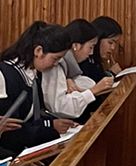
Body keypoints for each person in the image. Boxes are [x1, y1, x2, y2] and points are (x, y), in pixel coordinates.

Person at [1, 22, 77, 156]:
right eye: (55, 58)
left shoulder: (33, 73)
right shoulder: (6, 75)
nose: (55, 64)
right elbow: (10, 130)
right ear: (38, 51)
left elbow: (32, 116)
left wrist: (51, 123)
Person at [43, 18, 115, 120]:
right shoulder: (56, 65)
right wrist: (93, 90)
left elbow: (84, 82)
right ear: (76, 45)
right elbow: (60, 107)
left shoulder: (70, 67)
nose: (91, 53)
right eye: (90, 47)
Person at [75, 16, 124, 85]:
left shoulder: (96, 59)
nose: (113, 48)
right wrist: (112, 73)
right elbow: (93, 83)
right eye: (110, 42)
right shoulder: (84, 58)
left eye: (115, 44)